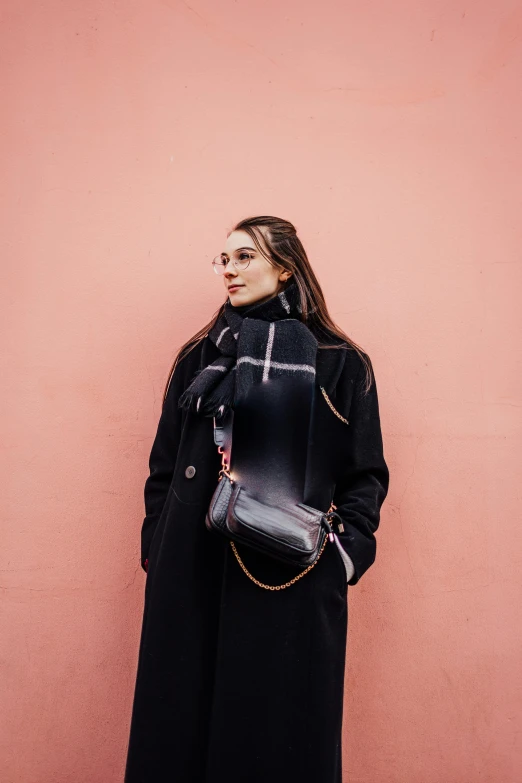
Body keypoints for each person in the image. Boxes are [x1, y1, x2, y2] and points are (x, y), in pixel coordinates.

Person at [123, 215, 390, 783]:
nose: (229, 269)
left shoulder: (340, 362)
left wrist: (341, 557)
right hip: (192, 572)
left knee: (278, 738)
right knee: (182, 734)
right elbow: (164, 466)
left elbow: (365, 476)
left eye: (244, 257)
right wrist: (158, 549)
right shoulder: (199, 357)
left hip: (288, 576)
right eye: (223, 258)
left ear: (285, 266)